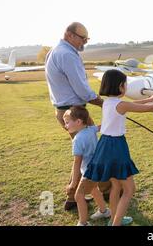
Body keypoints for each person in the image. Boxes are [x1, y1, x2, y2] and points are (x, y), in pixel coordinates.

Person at [76, 69, 153, 226]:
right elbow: (147, 109)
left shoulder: (107, 103)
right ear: (120, 86)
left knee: (117, 185)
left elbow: (132, 105)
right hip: (116, 147)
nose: (126, 86)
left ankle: (114, 219)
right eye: (125, 83)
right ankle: (116, 224)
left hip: (104, 145)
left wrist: (151, 98)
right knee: (129, 190)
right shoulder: (120, 104)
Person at [45, 22, 110, 210]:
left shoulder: (55, 51)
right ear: (70, 35)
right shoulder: (67, 55)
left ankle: (75, 196)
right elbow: (82, 90)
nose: (85, 42)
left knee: (84, 153)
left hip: (65, 111)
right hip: (75, 113)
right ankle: (93, 192)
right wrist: (104, 103)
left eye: (87, 39)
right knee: (92, 153)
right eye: (83, 38)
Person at [63, 106, 111, 226]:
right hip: (98, 167)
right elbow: (100, 127)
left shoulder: (77, 139)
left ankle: (83, 223)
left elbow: (77, 162)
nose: (65, 126)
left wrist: (73, 183)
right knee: (94, 190)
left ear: (78, 122)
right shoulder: (90, 129)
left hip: (89, 171)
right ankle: (104, 211)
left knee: (78, 196)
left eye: (67, 123)